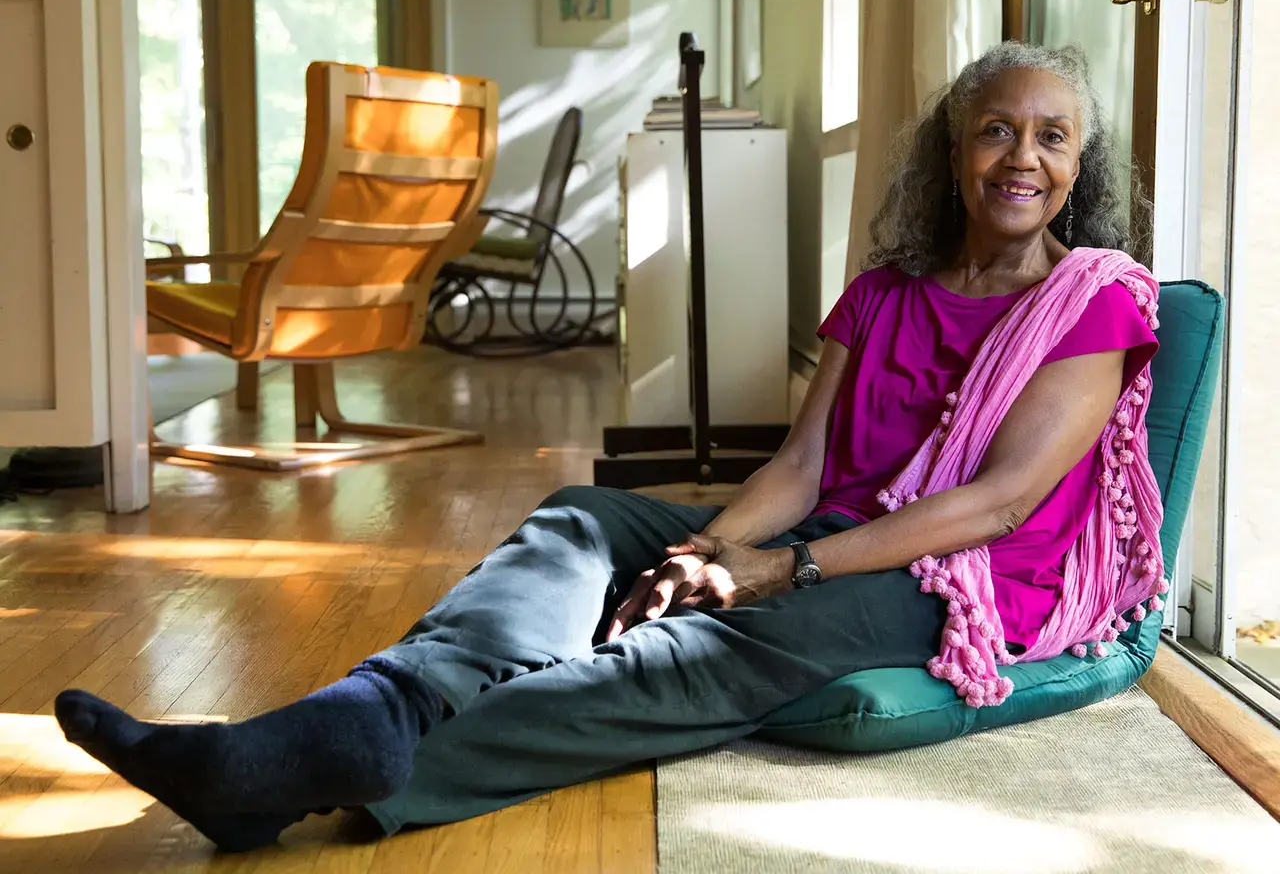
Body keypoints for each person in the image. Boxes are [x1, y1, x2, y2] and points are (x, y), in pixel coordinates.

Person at [54, 41, 1163, 852]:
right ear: (952, 153)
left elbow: (1000, 504)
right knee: (587, 521)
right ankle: (373, 710)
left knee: (700, 651)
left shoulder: (1093, 302)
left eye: (1050, 136)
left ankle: (317, 768)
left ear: (1079, 164)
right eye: (994, 129)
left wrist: (776, 568)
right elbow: (799, 468)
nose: (1021, 157)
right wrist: (706, 549)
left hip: (949, 575)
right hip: (829, 526)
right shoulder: (880, 293)